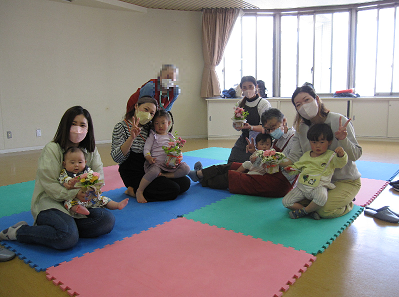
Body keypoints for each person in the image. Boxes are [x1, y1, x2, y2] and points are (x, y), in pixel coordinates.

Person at [0, 106, 115, 250]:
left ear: (88, 128)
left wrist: (89, 192)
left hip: (80, 204)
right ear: (65, 125)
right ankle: (18, 232)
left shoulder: (90, 151)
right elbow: (49, 185)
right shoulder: (52, 149)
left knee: (106, 221)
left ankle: (63, 228)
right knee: (67, 238)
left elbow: (99, 178)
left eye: (82, 125)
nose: (78, 129)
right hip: (51, 202)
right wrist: (74, 193)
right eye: (73, 124)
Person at [285, 84, 362, 218]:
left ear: (317, 99)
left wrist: (343, 140)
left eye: (307, 100)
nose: (303, 106)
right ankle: (311, 209)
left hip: (344, 180)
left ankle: (348, 203)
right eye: (298, 104)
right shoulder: (300, 128)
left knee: (323, 210)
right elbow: (294, 157)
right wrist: (275, 160)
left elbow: (355, 155)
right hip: (316, 182)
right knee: (291, 201)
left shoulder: (339, 121)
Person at [188, 108, 296, 198]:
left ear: (284, 121)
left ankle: (202, 179)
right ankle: (199, 173)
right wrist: (256, 153)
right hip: (265, 171)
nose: (271, 131)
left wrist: (266, 158)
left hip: (278, 183)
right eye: (268, 129)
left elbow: (290, 163)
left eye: (273, 127)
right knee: (232, 165)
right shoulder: (276, 138)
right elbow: (266, 159)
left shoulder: (294, 139)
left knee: (233, 177)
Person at [111, 96, 190, 203]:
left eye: (152, 113)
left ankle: (155, 183)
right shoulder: (120, 127)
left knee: (185, 182)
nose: (148, 114)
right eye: (146, 109)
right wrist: (131, 138)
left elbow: (163, 140)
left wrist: (173, 155)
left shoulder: (150, 127)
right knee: (173, 189)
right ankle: (133, 191)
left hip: (152, 167)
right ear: (136, 106)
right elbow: (117, 158)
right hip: (133, 171)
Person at [282, 124, 348, 219]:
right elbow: (297, 168)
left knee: (322, 198)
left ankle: (304, 211)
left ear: (329, 142)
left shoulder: (331, 155)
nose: (317, 146)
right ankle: (310, 211)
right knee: (286, 202)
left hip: (318, 186)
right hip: (302, 186)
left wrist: (341, 155)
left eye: (322, 142)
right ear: (309, 142)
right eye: (314, 142)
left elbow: (340, 163)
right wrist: (290, 169)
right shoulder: (306, 155)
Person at [136, 110, 190, 203]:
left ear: (168, 123)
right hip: (156, 164)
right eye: (157, 123)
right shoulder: (153, 136)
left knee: (186, 168)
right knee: (154, 171)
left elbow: (177, 152)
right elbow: (146, 149)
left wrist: (178, 158)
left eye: (163, 123)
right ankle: (139, 191)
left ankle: (166, 176)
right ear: (153, 124)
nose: (160, 126)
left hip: (170, 164)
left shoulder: (171, 137)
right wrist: (149, 158)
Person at [59, 147, 129, 215]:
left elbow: (94, 177)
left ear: (85, 162)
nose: (76, 165)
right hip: (75, 198)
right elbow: (63, 180)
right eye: (72, 163)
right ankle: (79, 209)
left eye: (80, 162)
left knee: (103, 199)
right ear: (64, 164)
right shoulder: (65, 173)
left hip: (91, 197)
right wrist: (70, 181)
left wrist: (94, 181)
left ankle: (117, 205)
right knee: (69, 203)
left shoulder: (87, 171)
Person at [228, 76, 271, 163]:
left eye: (250, 86)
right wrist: (237, 126)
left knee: (250, 164)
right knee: (232, 162)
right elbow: (237, 123)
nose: (248, 90)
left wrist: (250, 127)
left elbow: (267, 128)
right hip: (244, 138)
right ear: (241, 89)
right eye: (244, 87)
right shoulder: (240, 103)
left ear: (256, 87)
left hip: (260, 141)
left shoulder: (263, 103)